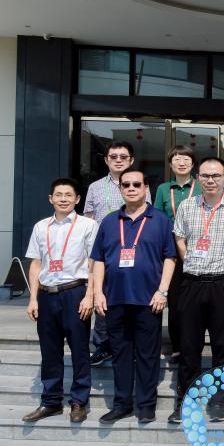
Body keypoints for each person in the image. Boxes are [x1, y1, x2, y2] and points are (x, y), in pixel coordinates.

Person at [91, 168, 176, 424]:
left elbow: (170, 257)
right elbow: (98, 260)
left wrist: (163, 291)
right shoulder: (109, 221)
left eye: (136, 184)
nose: (131, 188)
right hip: (115, 299)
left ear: (146, 188)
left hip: (148, 300)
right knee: (120, 355)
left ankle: (146, 405)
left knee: (148, 355)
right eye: (126, 185)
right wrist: (98, 293)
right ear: (120, 189)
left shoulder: (160, 220)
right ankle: (122, 404)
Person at [169, 157, 224, 424]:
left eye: (216, 176)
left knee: (222, 347)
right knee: (189, 346)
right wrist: (192, 260)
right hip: (191, 283)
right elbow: (180, 237)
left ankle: (219, 400)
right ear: (198, 178)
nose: (210, 180)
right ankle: (186, 401)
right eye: (205, 176)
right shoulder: (187, 205)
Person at [22, 178, 99, 424]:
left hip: (75, 292)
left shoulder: (88, 225)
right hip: (46, 294)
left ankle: (79, 402)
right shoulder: (40, 227)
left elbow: (94, 263)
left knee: (79, 350)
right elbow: (36, 263)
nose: (63, 199)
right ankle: (51, 401)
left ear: (77, 199)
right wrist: (33, 298)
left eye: (68, 195)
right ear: (50, 198)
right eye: (58, 195)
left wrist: (90, 295)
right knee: (49, 351)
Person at [83, 141, 151, 368]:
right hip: (106, 251)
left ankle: (131, 344)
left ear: (131, 160)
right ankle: (103, 345)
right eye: (114, 156)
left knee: (132, 299)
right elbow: (89, 221)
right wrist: (90, 255)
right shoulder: (94, 187)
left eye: (123, 157)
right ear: (106, 160)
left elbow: (147, 216)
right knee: (102, 296)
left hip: (135, 251)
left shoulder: (140, 184)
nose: (118, 160)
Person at [153, 145, 200, 364]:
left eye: (186, 159)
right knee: (175, 299)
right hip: (171, 247)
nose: (181, 163)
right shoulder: (164, 189)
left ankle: (194, 344)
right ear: (170, 164)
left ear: (193, 163)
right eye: (177, 159)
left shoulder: (201, 186)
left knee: (196, 298)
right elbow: (157, 218)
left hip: (197, 245)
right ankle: (178, 346)